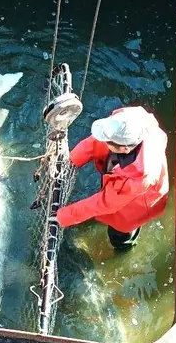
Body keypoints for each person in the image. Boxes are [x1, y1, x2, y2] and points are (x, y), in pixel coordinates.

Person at [56, 106, 168, 249]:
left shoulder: (137, 178)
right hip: (120, 186)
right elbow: (94, 142)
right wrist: (71, 161)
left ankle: (125, 247)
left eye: (107, 142)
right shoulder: (128, 121)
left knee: (120, 235)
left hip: (135, 206)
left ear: (125, 149)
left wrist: (63, 216)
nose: (103, 141)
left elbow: (104, 203)